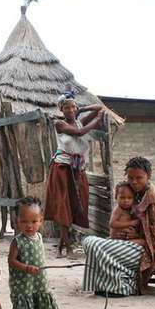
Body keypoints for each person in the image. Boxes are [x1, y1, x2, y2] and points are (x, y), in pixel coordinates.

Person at [82, 157, 155, 297]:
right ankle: (106, 284)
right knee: (88, 241)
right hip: (135, 244)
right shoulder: (135, 194)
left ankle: (125, 287)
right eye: (131, 177)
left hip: (152, 253)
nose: (134, 181)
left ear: (148, 176)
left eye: (139, 177)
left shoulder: (154, 201)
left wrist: (130, 239)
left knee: (97, 246)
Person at [44, 91, 104, 258]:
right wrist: (97, 120)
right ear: (61, 110)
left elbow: (99, 107)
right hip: (62, 169)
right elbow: (79, 133)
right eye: (66, 107)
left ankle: (61, 247)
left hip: (77, 170)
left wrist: (83, 108)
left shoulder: (79, 121)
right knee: (63, 206)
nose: (70, 110)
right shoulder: (59, 124)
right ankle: (68, 248)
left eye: (73, 107)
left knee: (76, 204)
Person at [7, 197, 64, 309]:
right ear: (17, 221)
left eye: (34, 221)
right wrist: (26, 267)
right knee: (23, 305)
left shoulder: (39, 237)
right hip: (23, 282)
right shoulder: (17, 241)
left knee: (41, 300)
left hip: (38, 280)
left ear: (41, 220)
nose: (29, 226)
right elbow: (11, 261)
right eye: (24, 221)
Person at [108, 181, 146, 247]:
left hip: (125, 239)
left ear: (134, 199)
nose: (126, 200)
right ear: (116, 197)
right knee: (142, 242)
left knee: (143, 242)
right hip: (116, 239)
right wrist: (131, 223)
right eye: (122, 198)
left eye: (129, 198)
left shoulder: (131, 209)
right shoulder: (118, 209)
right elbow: (112, 223)